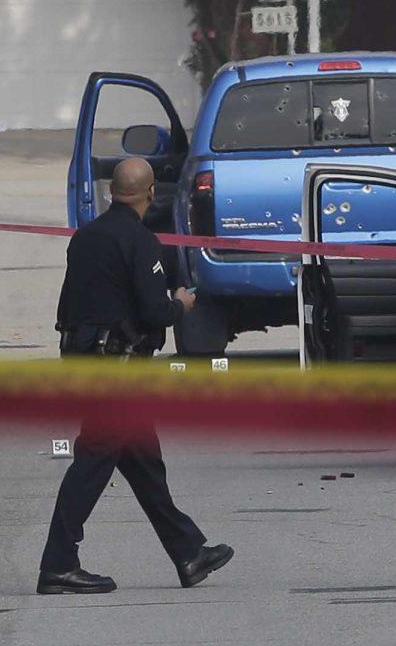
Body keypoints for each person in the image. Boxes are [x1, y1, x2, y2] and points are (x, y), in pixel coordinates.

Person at [38, 158, 233, 595]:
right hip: (119, 373)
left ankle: (188, 553)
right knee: (92, 463)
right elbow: (153, 311)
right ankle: (58, 564)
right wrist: (181, 303)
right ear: (149, 195)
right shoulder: (141, 242)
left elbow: (69, 306)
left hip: (86, 362)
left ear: (111, 192)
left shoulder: (84, 238)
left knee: (144, 463)